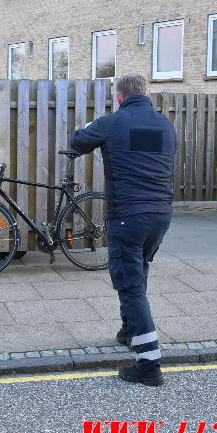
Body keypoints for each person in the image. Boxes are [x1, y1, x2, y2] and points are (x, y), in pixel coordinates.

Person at [69, 73, 176, 387]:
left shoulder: (113, 122)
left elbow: (78, 139)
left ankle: (148, 363)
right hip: (160, 215)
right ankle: (131, 331)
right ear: (146, 93)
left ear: (119, 96)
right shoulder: (165, 125)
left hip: (128, 215)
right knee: (138, 270)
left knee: (129, 284)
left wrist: (93, 126)